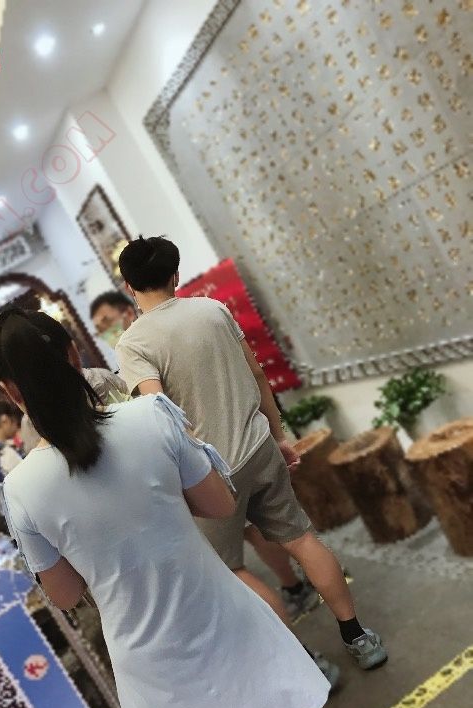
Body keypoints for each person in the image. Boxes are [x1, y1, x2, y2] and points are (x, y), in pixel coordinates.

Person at [0, 306, 424, 708]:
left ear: (9, 392)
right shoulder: (150, 418)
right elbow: (216, 503)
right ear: (75, 356)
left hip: (156, 667)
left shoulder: (22, 491)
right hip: (224, 619)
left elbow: (67, 593)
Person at [115, 236, 387, 670]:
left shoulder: (133, 345)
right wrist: (278, 435)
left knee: (231, 569)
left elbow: (159, 415)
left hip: (210, 475)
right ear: (175, 275)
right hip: (260, 447)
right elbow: (257, 373)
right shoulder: (212, 309)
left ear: (128, 286)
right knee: (302, 539)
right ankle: (358, 637)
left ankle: (309, 662)